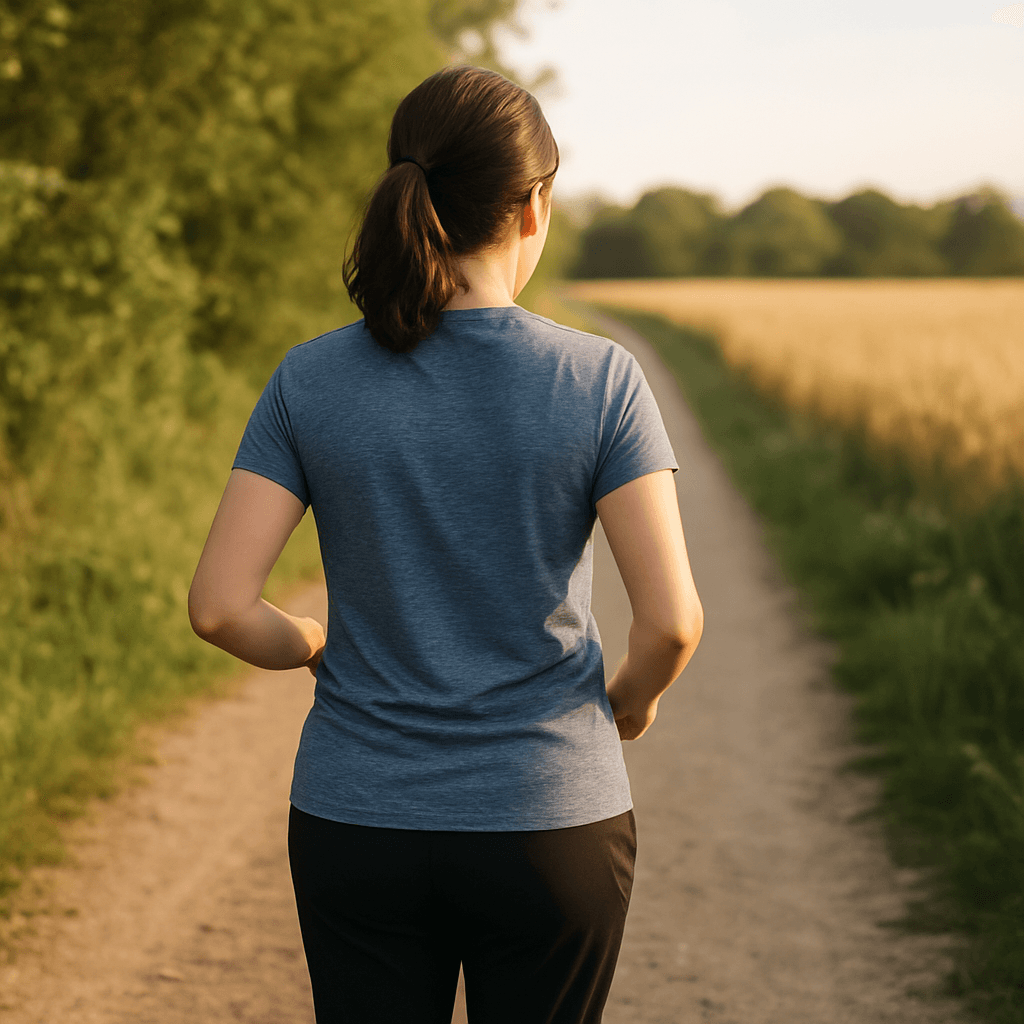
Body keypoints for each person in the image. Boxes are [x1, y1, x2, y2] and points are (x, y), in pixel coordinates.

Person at [188, 63, 703, 1024]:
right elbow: (671, 623)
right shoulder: (601, 382)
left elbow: (219, 605)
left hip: (357, 819)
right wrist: (624, 708)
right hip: (552, 820)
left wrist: (306, 642)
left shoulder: (311, 380)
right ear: (533, 208)